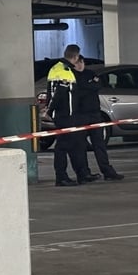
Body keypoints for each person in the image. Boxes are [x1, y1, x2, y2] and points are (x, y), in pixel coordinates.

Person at [46, 44, 94, 187]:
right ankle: (61, 177)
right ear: (76, 56)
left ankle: (82, 174)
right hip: (64, 116)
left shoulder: (66, 69)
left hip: (72, 116)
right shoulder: (61, 70)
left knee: (76, 144)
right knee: (62, 146)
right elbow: (56, 95)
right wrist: (50, 111)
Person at [72, 55, 125, 181]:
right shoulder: (72, 76)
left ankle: (107, 171)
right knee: (80, 146)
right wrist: (90, 86)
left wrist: (86, 86)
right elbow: (77, 91)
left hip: (95, 114)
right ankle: (84, 173)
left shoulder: (90, 73)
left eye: (81, 62)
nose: (80, 65)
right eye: (77, 63)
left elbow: (98, 85)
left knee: (99, 144)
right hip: (80, 115)